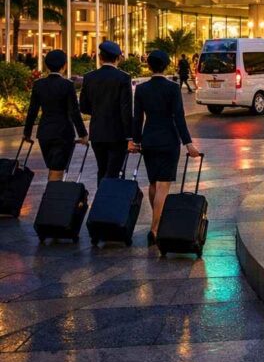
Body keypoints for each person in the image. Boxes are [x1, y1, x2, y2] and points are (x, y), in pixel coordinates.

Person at [130, 50, 200, 245]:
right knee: (163, 185)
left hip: (149, 140)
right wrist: (188, 143)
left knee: (153, 183)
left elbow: (138, 118)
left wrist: (136, 141)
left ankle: (157, 221)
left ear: (149, 66)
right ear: (166, 65)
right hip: (169, 140)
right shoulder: (172, 88)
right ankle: (154, 229)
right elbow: (179, 118)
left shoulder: (142, 89)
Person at [23, 49, 88, 182]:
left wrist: (27, 132)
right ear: (64, 66)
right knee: (57, 170)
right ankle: (52, 194)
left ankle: (51, 192)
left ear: (46, 66)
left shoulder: (38, 84)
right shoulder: (67, 85)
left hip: (44, 133)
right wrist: (83, 134)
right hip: (63, 134)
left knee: (53, 168)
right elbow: (74, 112)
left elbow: (32, 110)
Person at [79, 40, 132, 184]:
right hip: (117, 133)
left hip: (97, 132)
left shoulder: (89, 77)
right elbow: (126, 109)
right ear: (118, 58)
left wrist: (98, 111)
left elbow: (83, 106)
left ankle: (101, 196)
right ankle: (110, 197)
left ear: (100, 58)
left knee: (102, 169)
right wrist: (130, 136)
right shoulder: (123, 78)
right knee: (114, 172)